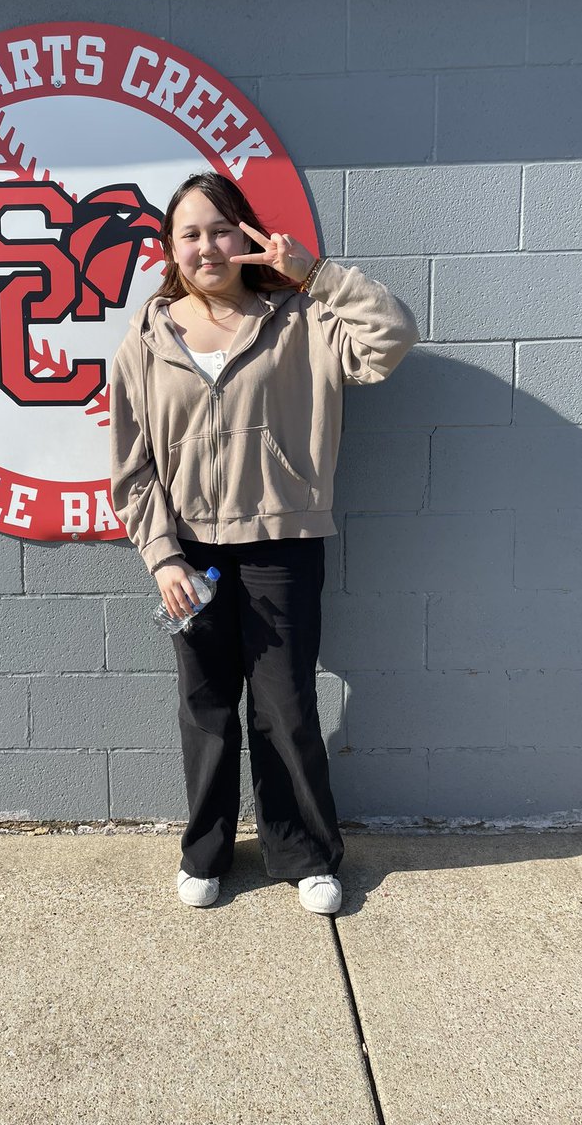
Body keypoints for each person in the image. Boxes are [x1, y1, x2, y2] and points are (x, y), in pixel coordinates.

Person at [108, 171, 418, 915]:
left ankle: (303, 851)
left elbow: (393, 338)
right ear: (170, 248)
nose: (207, 246)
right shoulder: (148, 338)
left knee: (285, 708)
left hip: (282, 543)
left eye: (220, 229)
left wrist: (313, 273)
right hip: (191, 556)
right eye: (190, 233)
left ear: (246, 236)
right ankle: (207, 851)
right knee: (206, 707)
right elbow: (132, 465)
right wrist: (163, 555)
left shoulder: (301, 321)